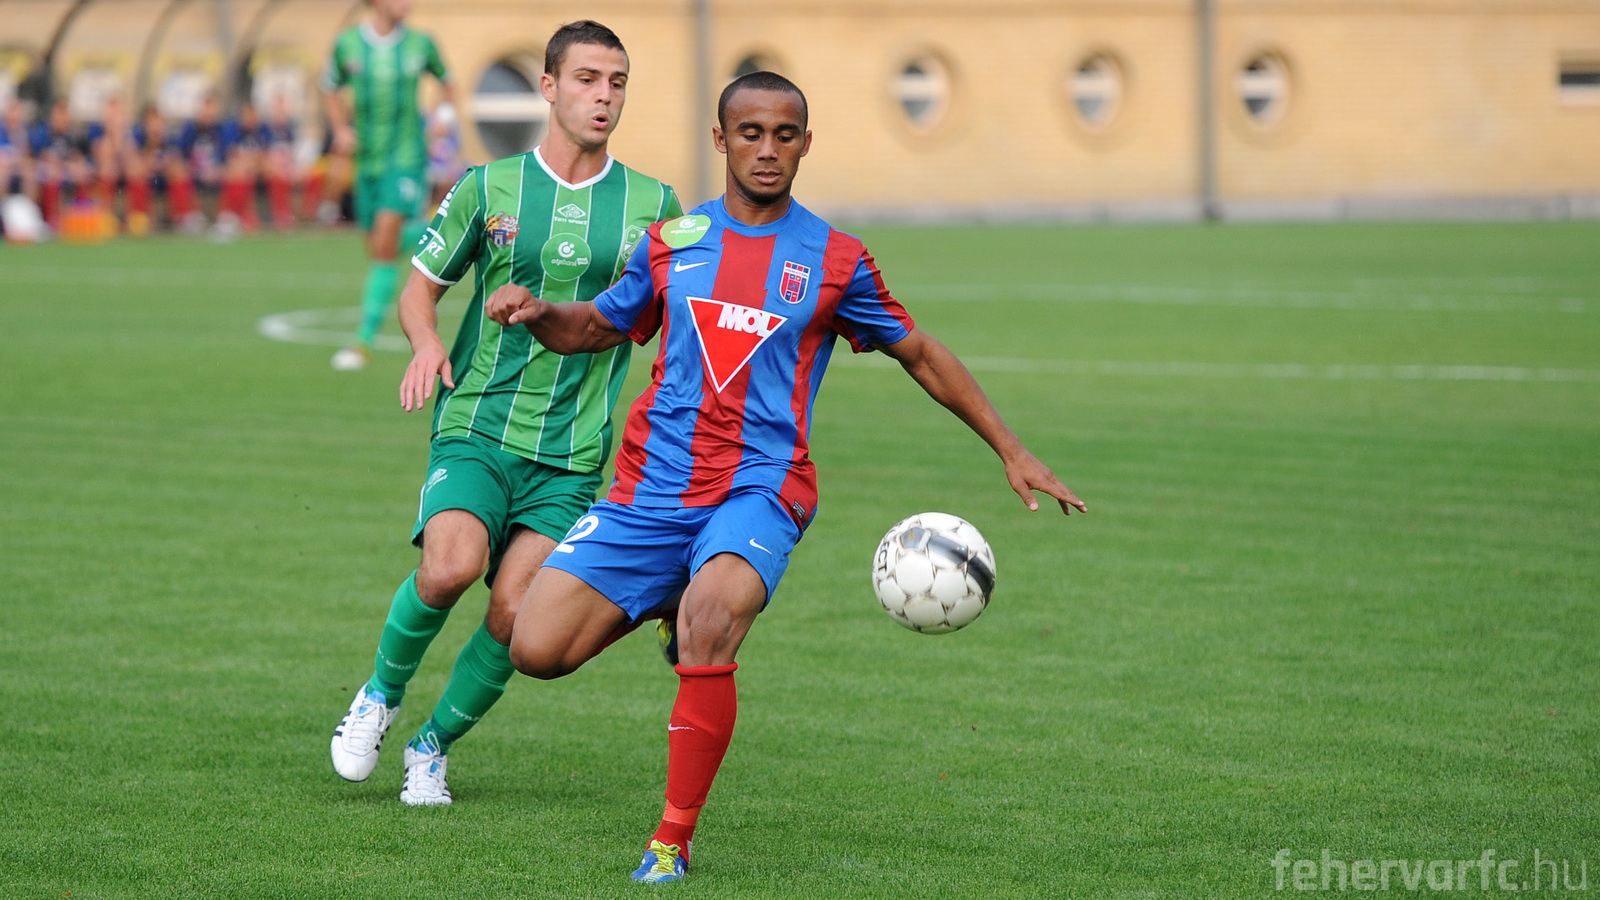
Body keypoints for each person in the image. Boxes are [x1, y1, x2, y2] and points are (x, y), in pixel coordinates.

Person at [487, 71, 1087, 884]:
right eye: (750, 133)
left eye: (784, 134)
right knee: (535, 649)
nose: (767, 149)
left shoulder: (837, 259)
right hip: (652, 486)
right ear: (721, 140)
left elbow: (919, 354)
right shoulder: (672, 241)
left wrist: (1011, 449)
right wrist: (539, 313)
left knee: (711, 618)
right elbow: (597, 324)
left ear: (806, 143)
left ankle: (670, 842)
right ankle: (671, 595)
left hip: (762, 487)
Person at [329, 20, 683, 807]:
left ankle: (432, 747)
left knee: (516, 612)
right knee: (450, 567)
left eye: (617, 82)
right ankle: (380, 695)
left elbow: (671, 320)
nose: (604, 96)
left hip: (572, 453)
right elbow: (420, 288)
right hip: (479, 423)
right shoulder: (488, 187)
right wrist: (426, 343)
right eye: (587, 79)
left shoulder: (654, 205)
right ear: (548, 87)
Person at [322, 0, 453, 371]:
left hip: (406, 158)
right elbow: (328, 86)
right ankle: (443, 231)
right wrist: (341, 130)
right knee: (380, 245)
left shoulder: (420, 43)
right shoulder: (348, 43)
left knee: (383, 248)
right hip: (367, 162)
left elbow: (448, 82)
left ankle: (362, 341)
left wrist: (441, 118)